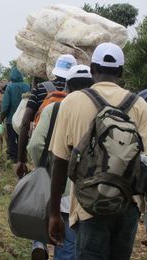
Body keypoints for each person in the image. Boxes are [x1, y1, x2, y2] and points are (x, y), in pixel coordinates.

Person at [49, 42, 147, 260]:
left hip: (88, 205)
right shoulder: (140, 105)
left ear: (92, 69)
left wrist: (55, 212)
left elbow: (59, 161)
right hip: (128, 205)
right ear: (121, 71)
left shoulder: (72, 102)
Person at [27, 65, 93, 260]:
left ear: (67, 86)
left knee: (66, 245)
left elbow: (36, 145)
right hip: (97, 193)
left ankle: (39, 243)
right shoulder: (103, 108)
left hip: (64, 192)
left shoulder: (54, 108)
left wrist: (46, 167)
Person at [16, 54, 77, 178]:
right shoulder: (77, 92)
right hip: (69, 149)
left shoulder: (40, 88)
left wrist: (20, 159)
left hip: (42, 149)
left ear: (55, 70)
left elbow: (25, 122)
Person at [0, 68, 30, 162]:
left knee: (12, 141)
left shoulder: (10, 87)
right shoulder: (27, 86)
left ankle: (14, 158)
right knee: (23, 139)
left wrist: (1, 117)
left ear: (11, 76)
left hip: (11, 120)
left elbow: (6, 105)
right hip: (25, 119)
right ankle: (23, 157)